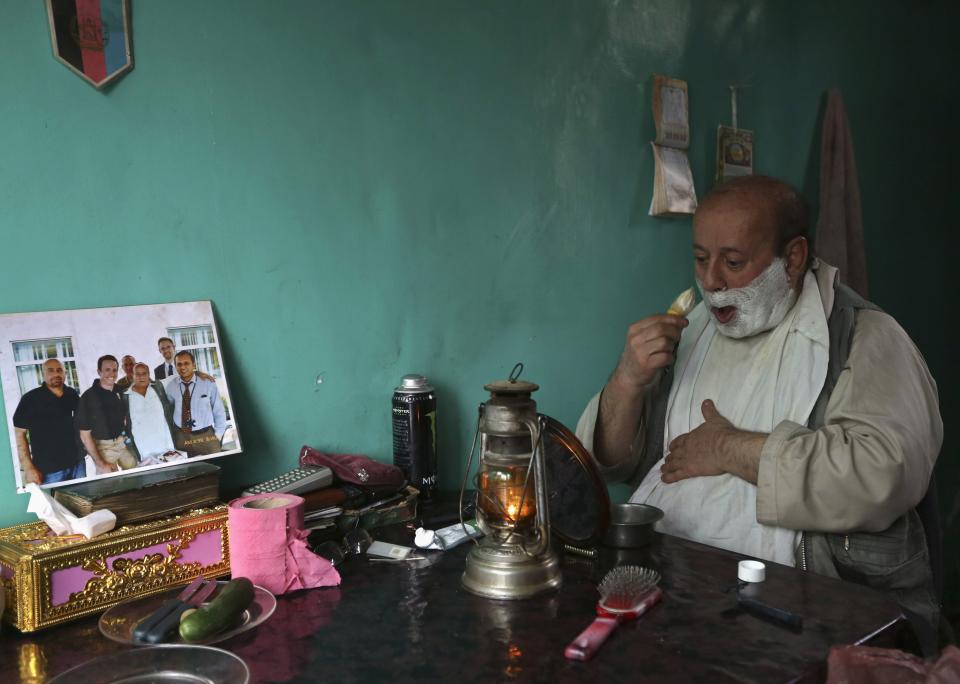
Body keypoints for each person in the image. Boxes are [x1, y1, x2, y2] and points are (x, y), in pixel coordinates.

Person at [575, 175, 942, 650]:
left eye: (733, 262)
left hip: (810, 614)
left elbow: (880, 474)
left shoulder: (867, 338)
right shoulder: (691, 332)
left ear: (792, 258)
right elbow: (610, 461)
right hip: (673, 590)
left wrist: (729, 448)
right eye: (701, 259)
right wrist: (627, 379)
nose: (711, 283)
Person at [12, 359, 84, 485]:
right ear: (43, 375)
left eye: (59, 370)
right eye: (50, 370)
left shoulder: (71, 394)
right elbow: (19, 434)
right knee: (54, 504)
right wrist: (29, 468)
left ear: (65, 373)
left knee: (82, 502)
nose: (56, 374)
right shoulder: (30, 399)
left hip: (77, 464)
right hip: (49, 470)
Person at [76, 355, 139, 473]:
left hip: (121, 442)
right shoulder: (88, 397)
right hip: (103, 447)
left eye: (114, 370)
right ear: (99, 371)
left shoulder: (120, 390)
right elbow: (85, 436)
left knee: (135, 472)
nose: (112, 374)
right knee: (111, 484)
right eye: (107, 370)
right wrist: (100, 464)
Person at [166, 350, 225, 456]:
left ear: (194, 364)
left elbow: (219, 410)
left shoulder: (208, 384)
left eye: (186, 363)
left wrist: (218, 435)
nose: (183, 367)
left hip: (206, 436)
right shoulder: (170, 386)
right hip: (182, 437)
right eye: (179, 364)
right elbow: (169, 409)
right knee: (188, 470)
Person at [124, 362, 179, 461]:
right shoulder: (125, 396)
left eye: (144, 373)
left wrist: (199, 373)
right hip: (144, 451)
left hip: (167, 447)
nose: (141, 377)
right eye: (138, 374)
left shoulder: (159, 387)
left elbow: (178, 375)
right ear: (132, 375)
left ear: (149, 375)